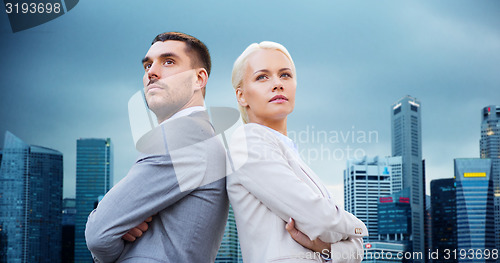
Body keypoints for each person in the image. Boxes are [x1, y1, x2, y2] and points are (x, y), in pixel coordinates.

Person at [85, 32, 229, 263]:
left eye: (169, 62)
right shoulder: (202, 136)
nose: (151, 72)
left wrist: (119, 240)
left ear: (198, 79)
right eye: (147, 65)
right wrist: (122, 224)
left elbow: (98, 234)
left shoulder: (183, 136)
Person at [226, 41, 368, 262]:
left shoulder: (288, 152)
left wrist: (326, 245)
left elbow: (357, 251)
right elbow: (321, 220)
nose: (277, 84)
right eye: (262, 77)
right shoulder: (247, 142)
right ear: (242, 96)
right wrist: (358, 227)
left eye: (285, 75)